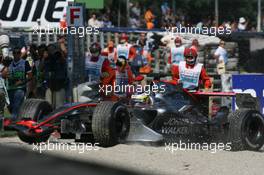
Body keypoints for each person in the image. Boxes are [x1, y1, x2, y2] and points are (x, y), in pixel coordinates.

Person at [7, 47, 32, 120]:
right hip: (10, 88)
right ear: (13, 54)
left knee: (16, 105)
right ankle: (17, 118)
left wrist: (22, 82)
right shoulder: (9, 63)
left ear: (20, 54)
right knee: (10, 106)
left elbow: (30, 76)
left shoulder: (25, 63)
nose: (16, 54)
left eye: (18, 53)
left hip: (20, 88)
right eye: (14, 53)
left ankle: (14, 120)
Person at [44, 44, 67, 108]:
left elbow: (63, 76)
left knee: (59, 107)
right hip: (50, 86)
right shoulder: (47, 61)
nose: (55, 55)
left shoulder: (62, 61)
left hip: (59, 86)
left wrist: (61, 55)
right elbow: (46, 75)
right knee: (48, 107)